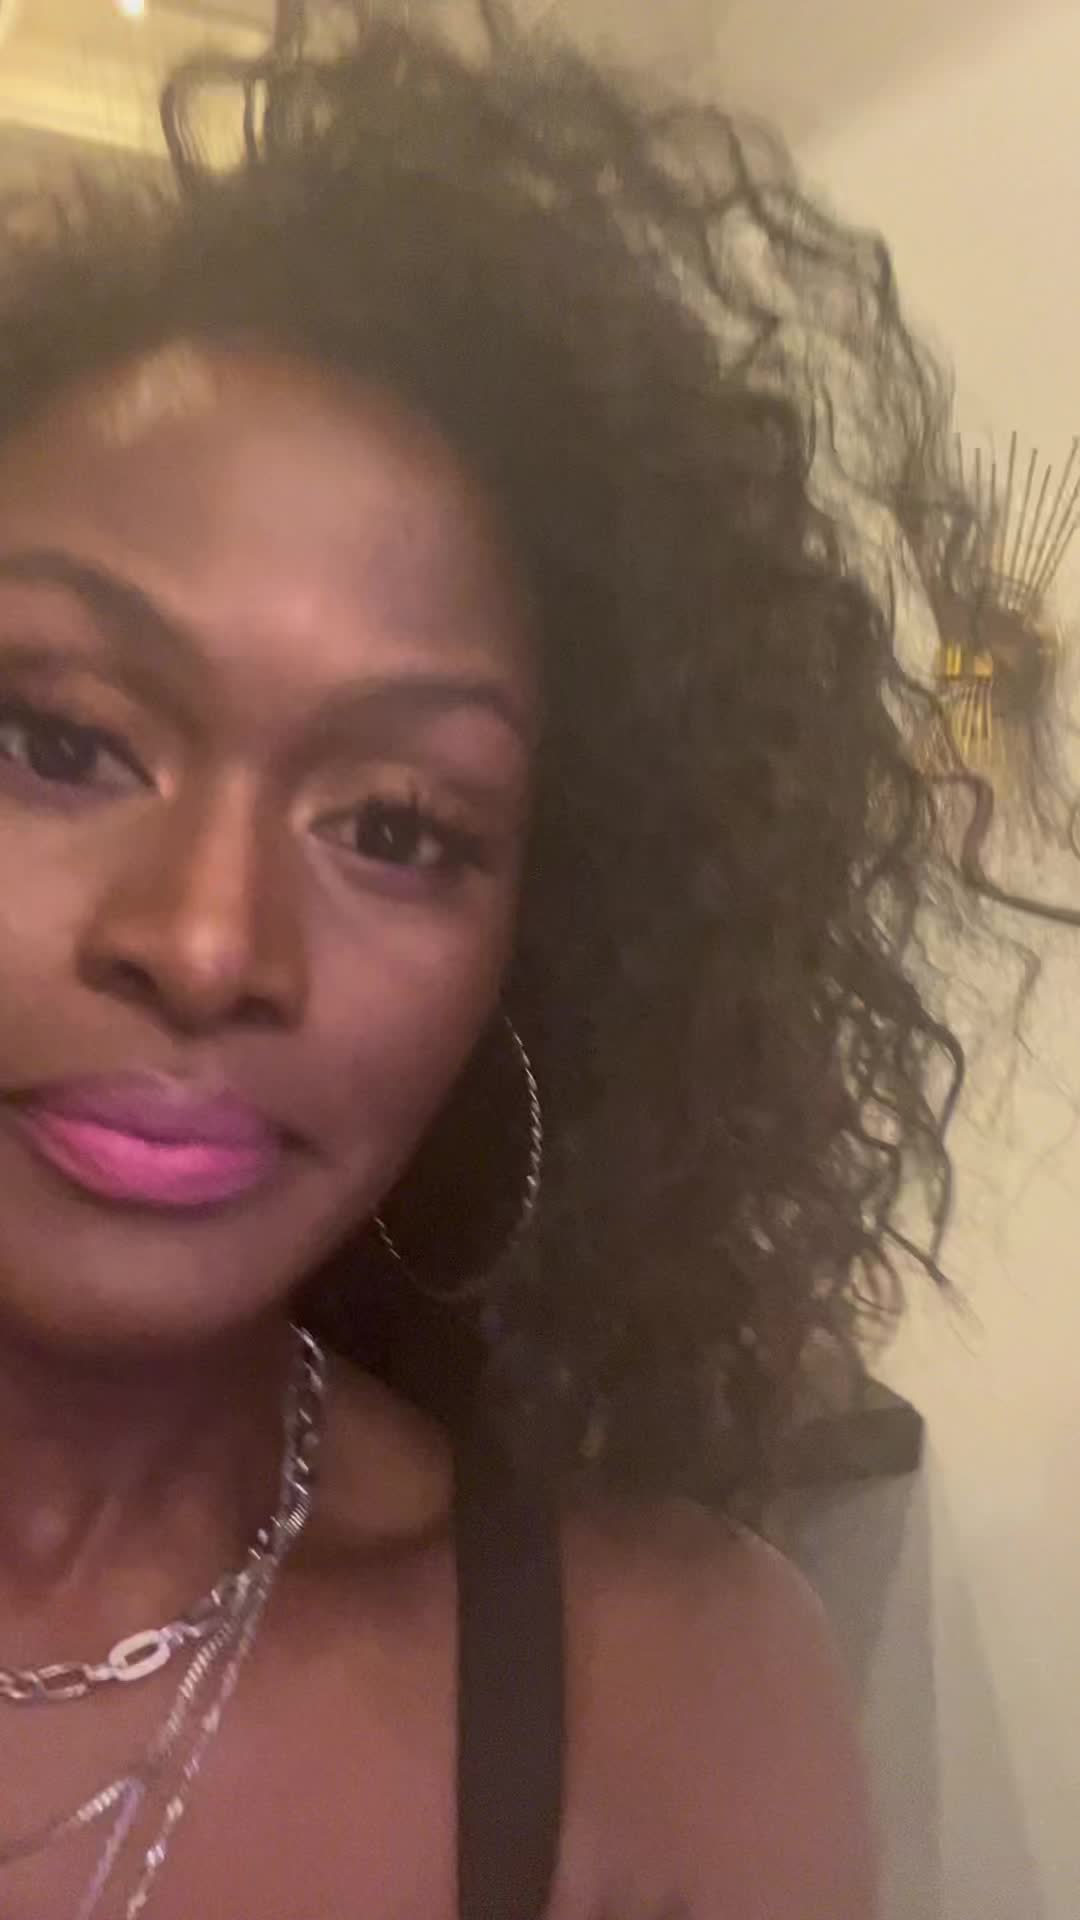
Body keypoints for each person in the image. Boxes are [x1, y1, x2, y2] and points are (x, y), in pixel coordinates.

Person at [0, 3, 963, 1915]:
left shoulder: (671, 1717)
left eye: (397, 829)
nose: (206, 942)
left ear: (545, 947)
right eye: (60, 738)